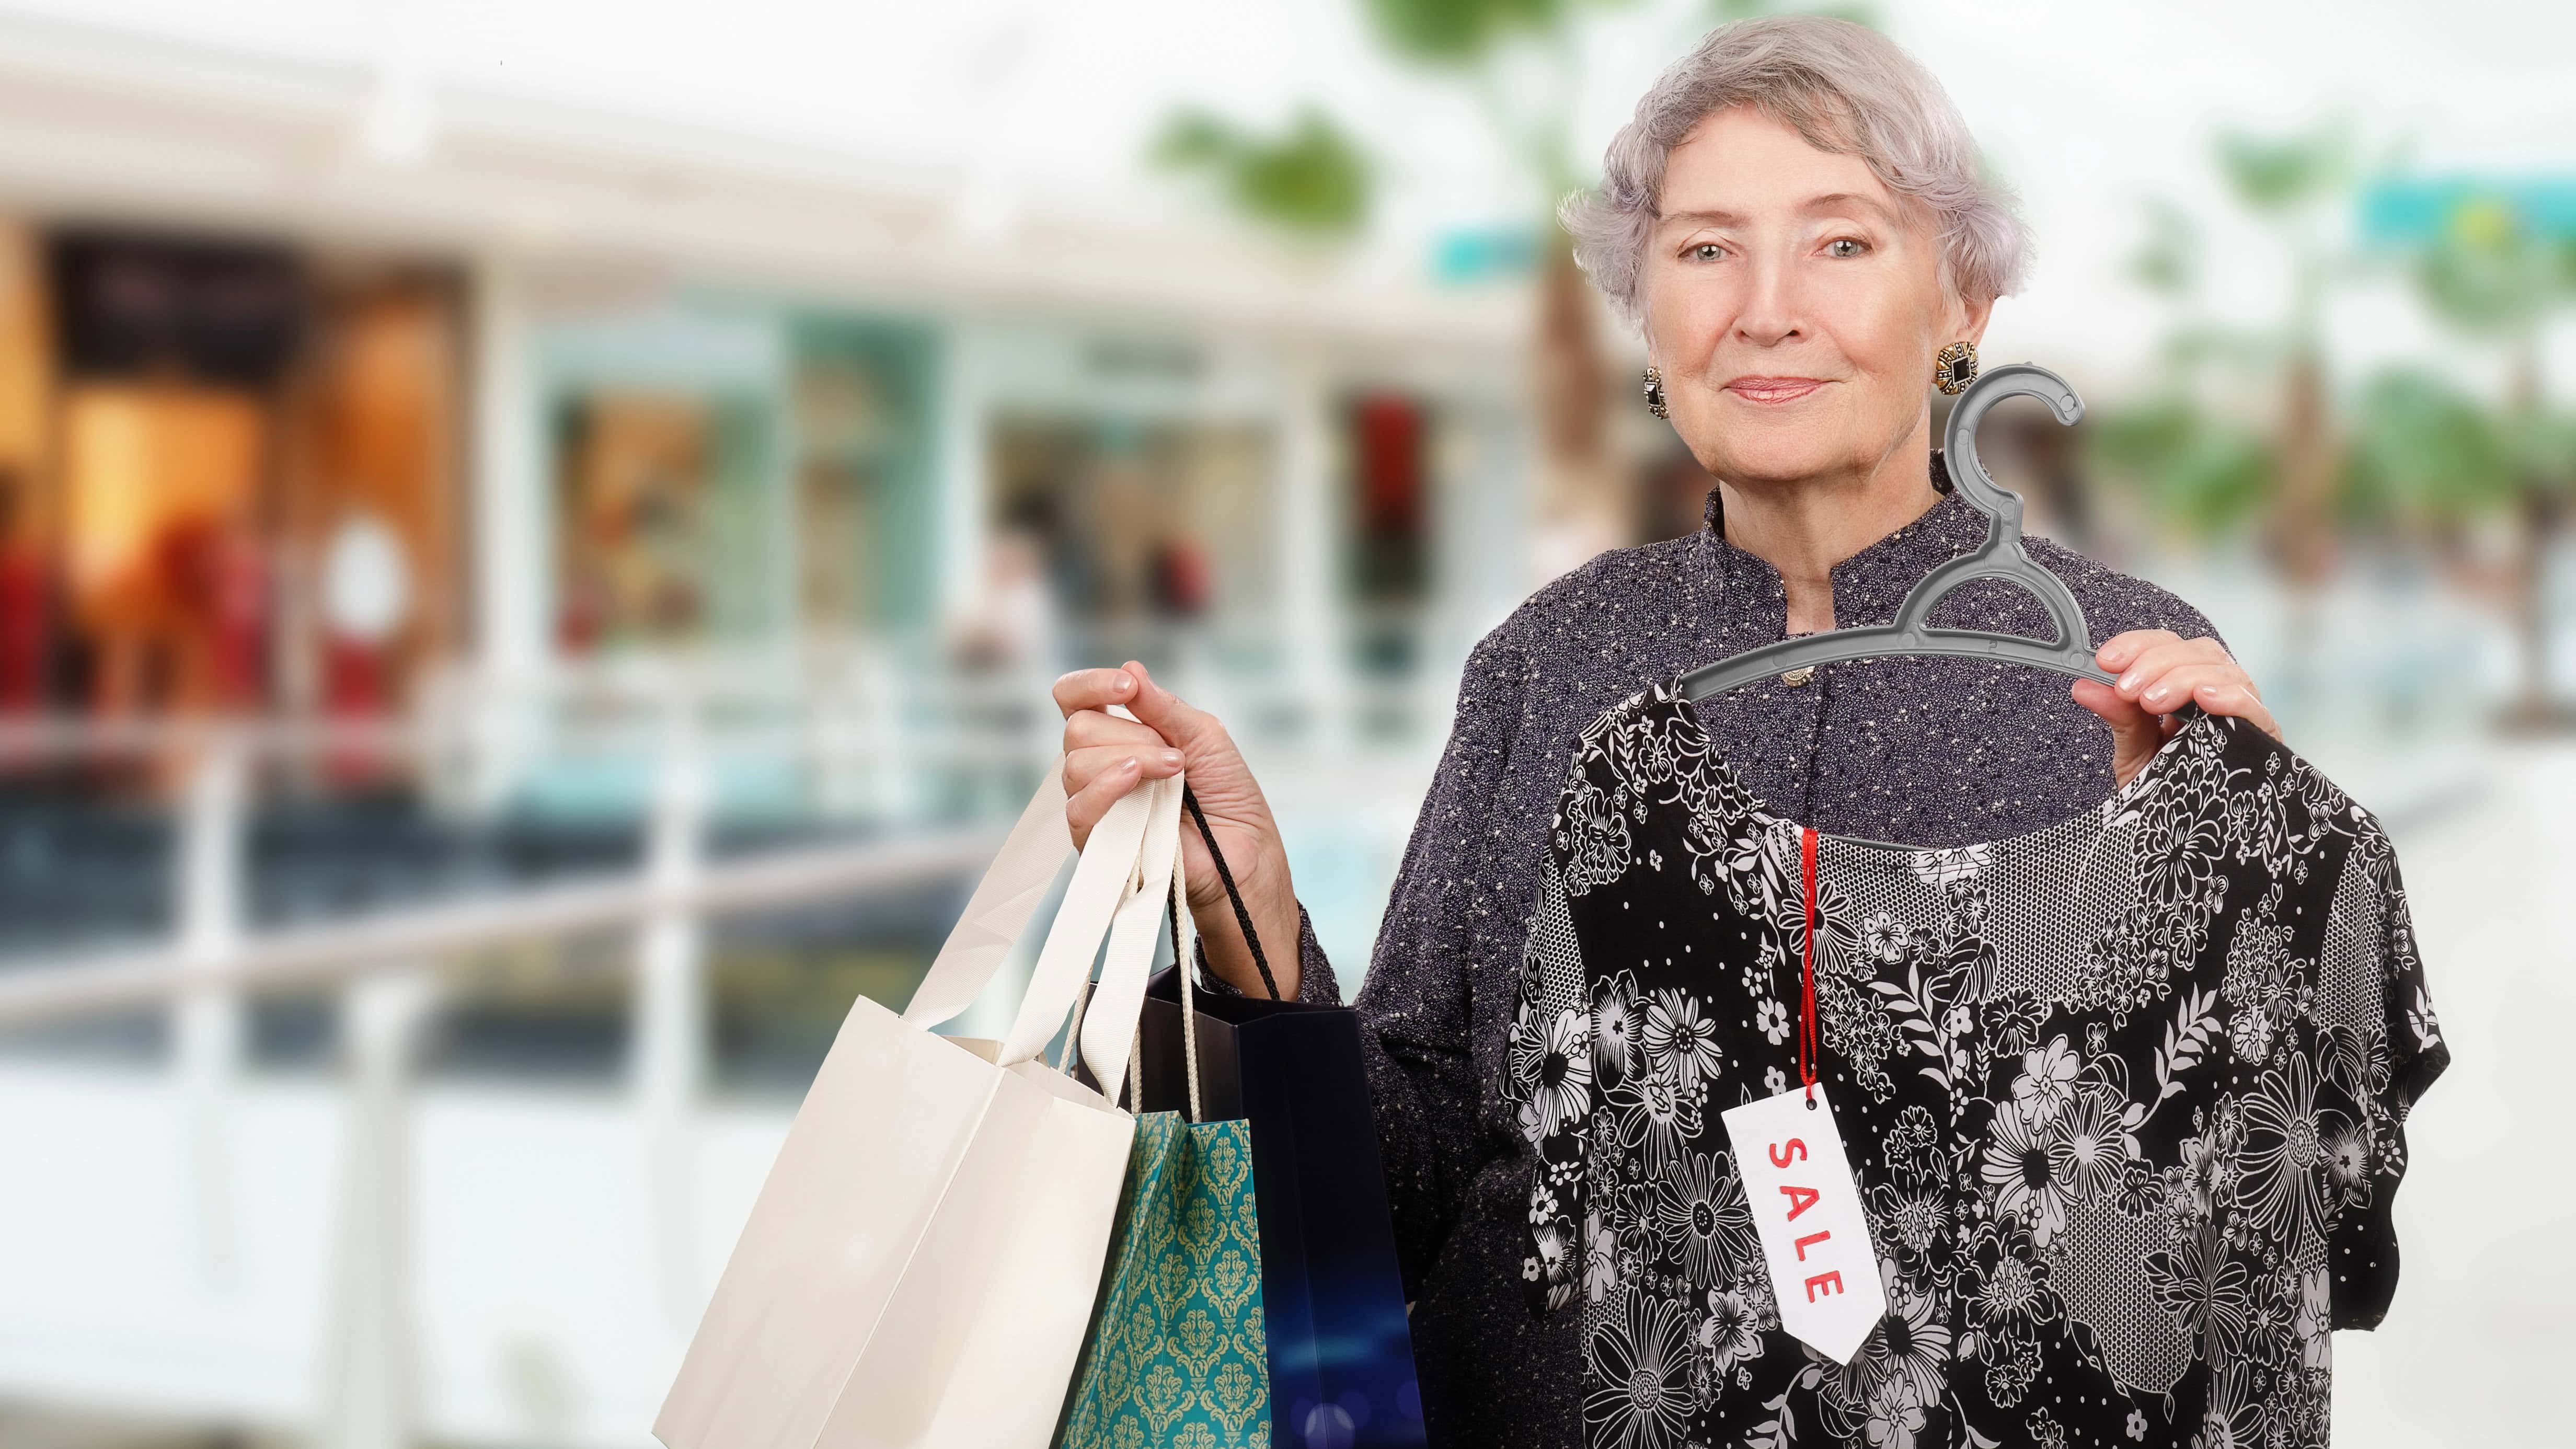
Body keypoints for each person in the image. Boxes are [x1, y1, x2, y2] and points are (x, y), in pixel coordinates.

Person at [1050, 17, 2279, 1445]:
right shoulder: (1549, 661)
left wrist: (2232, 908)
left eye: (1842, 243)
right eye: (1705, 249)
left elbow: (2235, 1240)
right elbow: (1409, 1172)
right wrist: (1249, 907)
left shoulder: (2125, 674)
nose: (1765, 308)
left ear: (1965, 305)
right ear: (1649, 312)